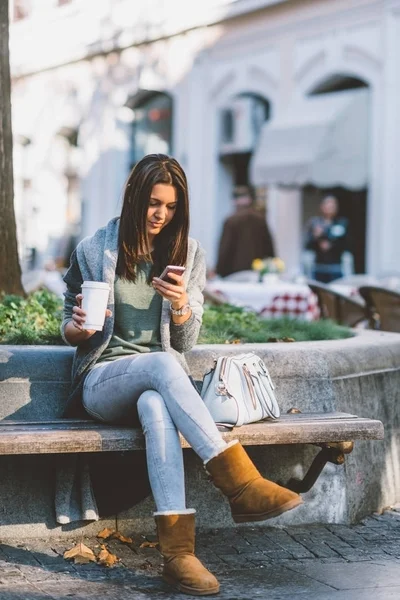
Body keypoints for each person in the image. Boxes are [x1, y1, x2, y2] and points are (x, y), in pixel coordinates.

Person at [62, 155, 302, 596]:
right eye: (154, 203)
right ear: (136, 198)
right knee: (161, 364)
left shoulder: (186, 253)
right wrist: (79, 327)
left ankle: (178, 556)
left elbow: (186, 341)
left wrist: (180, 306)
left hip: (159, 385)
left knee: (157, 397)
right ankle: (239, 483)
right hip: (102, 380)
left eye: (171, 207)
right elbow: (69, 326)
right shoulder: (95, 249)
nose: (161, 215)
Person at [215, 186, 275, 277]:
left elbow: (225, 249)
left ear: (234, 201)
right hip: (257, 272)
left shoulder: (231, 221)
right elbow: (269, 248)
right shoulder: (260, 219)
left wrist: (219, 271)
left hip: (234, 274)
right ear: (250, 200)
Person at [304, 195, 350, 284]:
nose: (329, 208)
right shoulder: (315, 223)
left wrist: (329, 242)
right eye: (327, 205)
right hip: (319, 267)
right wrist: (316, 237)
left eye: (332, 206)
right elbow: (308, 245)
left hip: (335, 267)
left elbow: (346, 243)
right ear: (321, 206)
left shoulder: (342, 223)